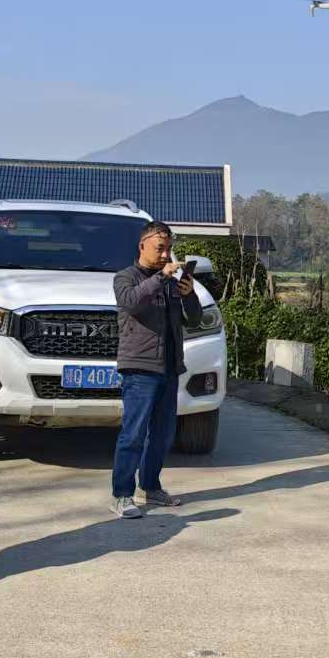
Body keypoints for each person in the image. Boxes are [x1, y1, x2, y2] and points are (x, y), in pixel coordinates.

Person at [111, 220, 202, 519]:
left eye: (168, 249)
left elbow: (194, 319)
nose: (165, 255)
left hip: (169, 368)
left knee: (163, 435)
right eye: (160, 248)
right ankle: (122, 495)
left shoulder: (173, 282)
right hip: (140, 368)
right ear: (142, 246)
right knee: (133, 434)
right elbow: (131, 302)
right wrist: (161, 278)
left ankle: (150, 487)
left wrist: (189, 294)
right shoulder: (125, 277)